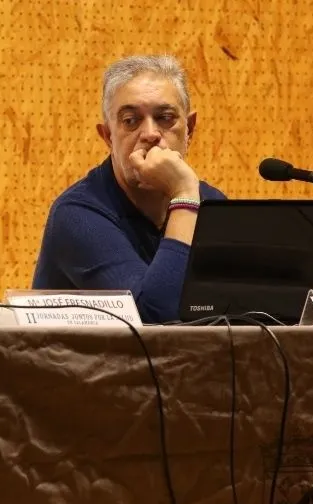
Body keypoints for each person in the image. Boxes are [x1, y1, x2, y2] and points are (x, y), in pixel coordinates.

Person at [32, 55, 225, 323]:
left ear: (190, 129)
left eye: (165, 117)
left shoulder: (213, 205)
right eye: (131, 120)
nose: (150, 133)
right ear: (108, 136)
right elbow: (157, 320)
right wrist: (183, 197)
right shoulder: (77, 215)